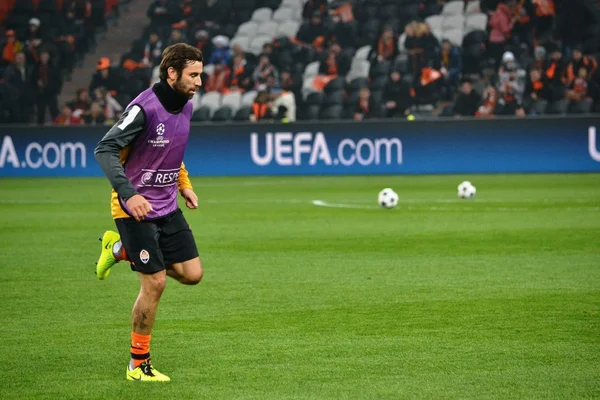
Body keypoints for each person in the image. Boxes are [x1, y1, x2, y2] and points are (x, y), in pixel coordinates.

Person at [93, 43, 204, 382]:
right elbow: (105, 148)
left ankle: (120, 250)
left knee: (192, 274)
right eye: (194, 75)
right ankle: (137, 365)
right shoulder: (144, 108)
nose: (200, 82)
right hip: (134, 209)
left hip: (167, 205)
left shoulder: (185, 107)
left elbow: (172, 151)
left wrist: (184, 183)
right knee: (155, 282)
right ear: (172, 73)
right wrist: (129, 194)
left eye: (201, 75)